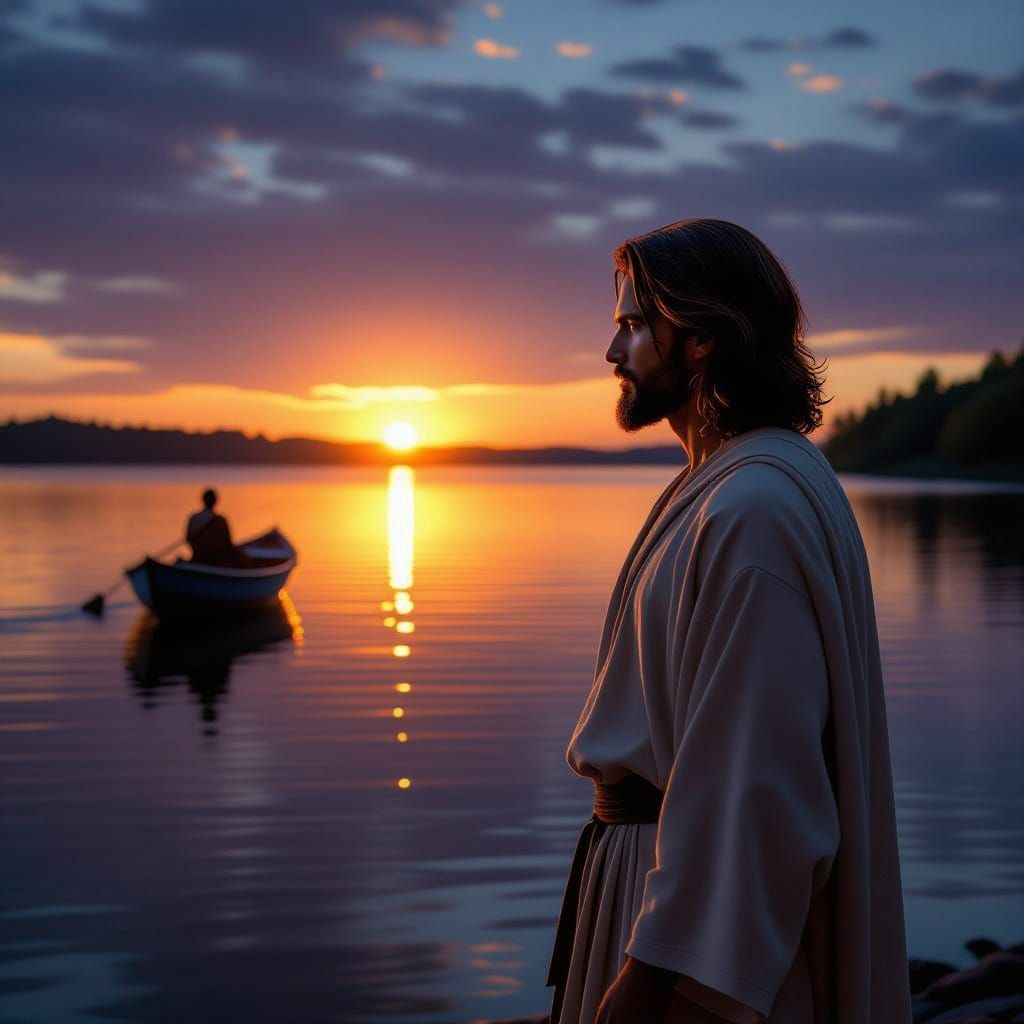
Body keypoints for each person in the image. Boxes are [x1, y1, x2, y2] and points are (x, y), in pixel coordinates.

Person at [544, 219, 913, 1024]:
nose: (612, 352)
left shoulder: (752, 513)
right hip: (651, 889)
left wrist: (656, 982)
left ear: (701, 337)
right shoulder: (731, 487)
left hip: (691, 953)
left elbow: (756, 791)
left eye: (632, 325)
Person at [185, 488, 249, 568]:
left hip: (197, 558)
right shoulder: (221, 520)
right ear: (215, 501)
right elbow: (228, 543)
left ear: (203, 500)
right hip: (215, 560)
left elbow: (188, 539)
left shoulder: (193, 518)